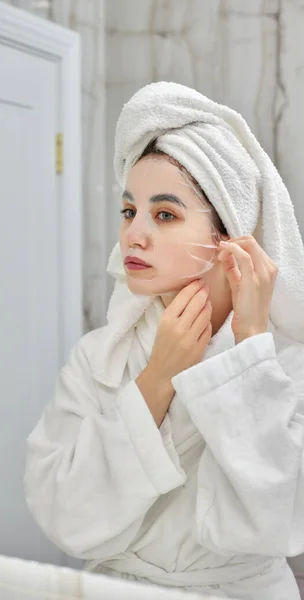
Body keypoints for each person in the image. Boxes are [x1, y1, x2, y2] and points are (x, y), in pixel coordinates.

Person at [24, 82, 304, 599]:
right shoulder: (99, 357)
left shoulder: (287, 362)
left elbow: (280, 519)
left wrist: (249, 349)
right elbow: (60, 511)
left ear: (230, 236)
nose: (134, 234)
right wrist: (157, 379)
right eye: (130, 211)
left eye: (165, 214)